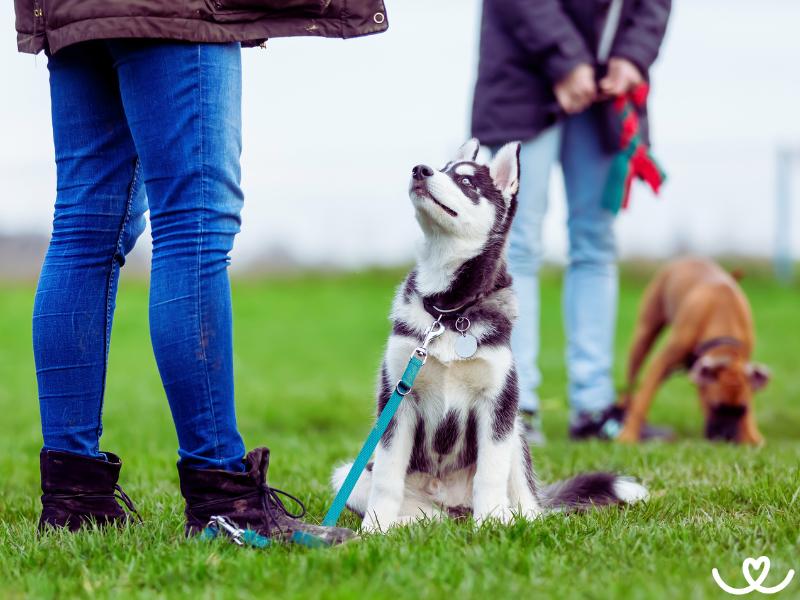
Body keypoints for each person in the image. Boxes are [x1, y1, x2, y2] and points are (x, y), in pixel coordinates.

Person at [16, 0, 387, 544]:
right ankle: (224, 501)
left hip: (72, 11)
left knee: (84, 227)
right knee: (193, 225)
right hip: (173, 10)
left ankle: (75, 499)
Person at [471, 0, 671, 444]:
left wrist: (632, 56)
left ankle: (594, 408)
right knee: (515, 244)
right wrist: (568, 61)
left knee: (596, 244)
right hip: (522, 78)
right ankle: (514, 408)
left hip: (606, 90)